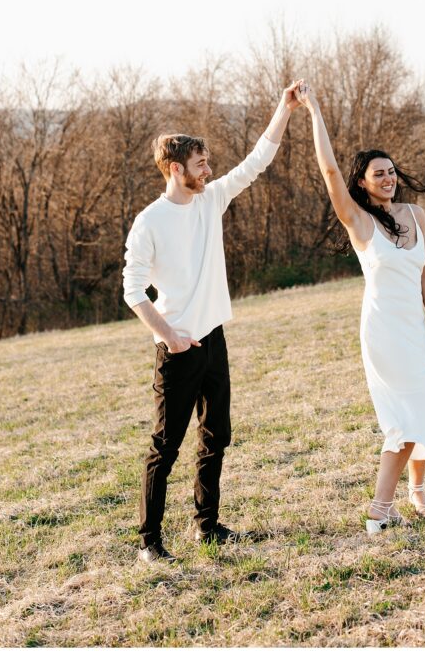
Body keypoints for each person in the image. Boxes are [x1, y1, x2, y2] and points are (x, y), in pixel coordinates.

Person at [295, 81, 425, 534]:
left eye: (391, 171)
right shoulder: (359, 220)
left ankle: (412, 493)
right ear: (362, 183)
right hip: (383, 332)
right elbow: (330, 172)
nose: (388, 178)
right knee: (408, 414)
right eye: (378, 173)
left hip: (414, 327)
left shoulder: (415, 216)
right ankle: (379, 509)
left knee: (420, 403)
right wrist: (314, 110)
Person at [123, 81, 304, 562]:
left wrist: (283, 110)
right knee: (166, 447)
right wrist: (168, 336)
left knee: (216, 436)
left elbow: (258, 160)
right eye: (201, 164)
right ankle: (149, 542)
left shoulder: (211, 200)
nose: (210, 169)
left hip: (215, 341)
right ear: (177, 169)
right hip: (178, 350)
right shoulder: (150, 222)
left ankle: (207, 526)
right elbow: (132, 290)